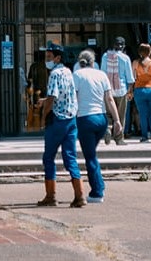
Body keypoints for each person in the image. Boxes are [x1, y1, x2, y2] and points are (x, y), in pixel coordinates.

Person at [36, 43, 86, 208]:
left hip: (57, 120)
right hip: (71, 119)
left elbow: (51, 98)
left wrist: (44, 115)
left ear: (57, 58)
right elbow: (65, 94)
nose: (47, 60)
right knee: (70, 157)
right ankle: (80, 195)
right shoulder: (68, 72)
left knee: (48, 157)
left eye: (49, 57)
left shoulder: (54, 74)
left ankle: (51, 196)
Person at [71, 51, 118, 202]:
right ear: (93, 62)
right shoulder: (102, 75)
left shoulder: (77, 75)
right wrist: (117, 120)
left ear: (79, 62)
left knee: (90, 156)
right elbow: (109, 99)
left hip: (85, 118)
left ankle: (97, 191)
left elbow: (75, 99)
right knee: (92, 154)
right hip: (101, 118)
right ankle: (99, 185)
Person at [102, 38, 133, 144]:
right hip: (121, 90)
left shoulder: (105, 56)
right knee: (120, 115)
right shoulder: (125, 58)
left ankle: (108, 130)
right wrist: (130, 91)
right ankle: (119, 139)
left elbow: (102, 73)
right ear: (123, 46)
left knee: (108, 113)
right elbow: (130, 78)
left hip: (108, 90)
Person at [131, 43, 151, 143]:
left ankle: (144, 136)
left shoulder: (135, 63)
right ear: (149, 52)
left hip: (139, 90)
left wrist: (130, 91)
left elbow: (132, 78)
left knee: (142, 114)